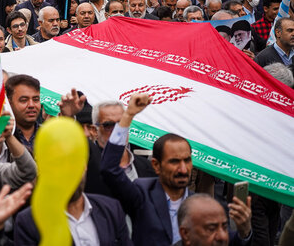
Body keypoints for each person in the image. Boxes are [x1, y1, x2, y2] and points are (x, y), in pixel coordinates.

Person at [101, 93, 252, 246]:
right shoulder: (142, 194)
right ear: (156, 165)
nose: (182, 168)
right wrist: (128, 116)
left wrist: (244, 231)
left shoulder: (202, 204)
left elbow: (224, 241)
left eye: (187, 160)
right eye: (174, 161)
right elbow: (109, 169)